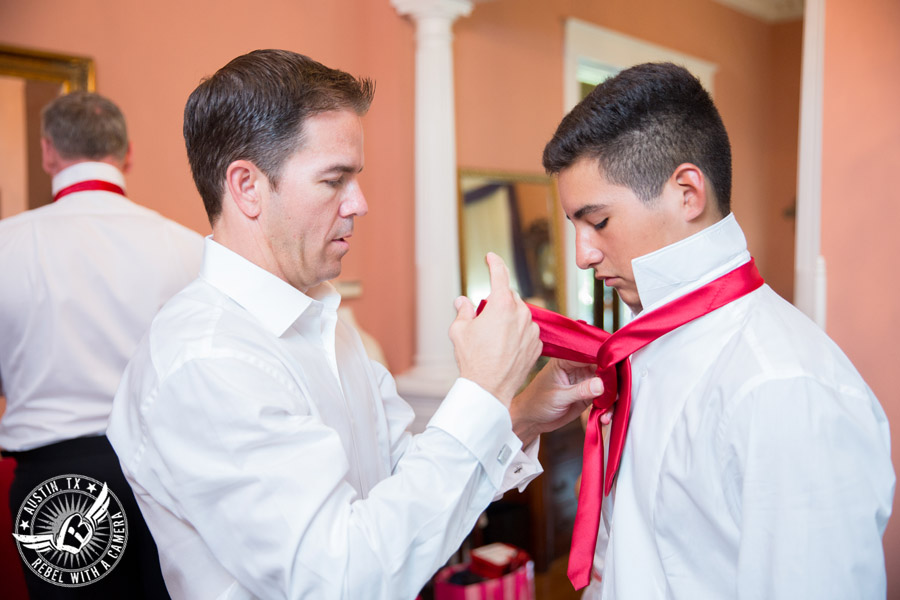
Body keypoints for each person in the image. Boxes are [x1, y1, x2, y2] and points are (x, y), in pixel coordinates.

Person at [106, 49, 602, 600]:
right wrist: (480, 390)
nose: (360, 203)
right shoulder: (207, 360)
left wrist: (517, 416)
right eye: (334, 179)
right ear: (247, 186)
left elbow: (402, 483)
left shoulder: (324, 319)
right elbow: (342, 579)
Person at [539, 61, 895, 599]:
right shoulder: (646, 347)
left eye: (599, 222)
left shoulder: (783, 388)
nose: (583, 255)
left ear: (687, 193)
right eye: (575, 227)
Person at [0, 91, 203, 597]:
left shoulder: (7, 246)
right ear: (127, 152)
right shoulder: (187, 246)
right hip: (167, 473)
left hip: (57, 484)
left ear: (48, 152)